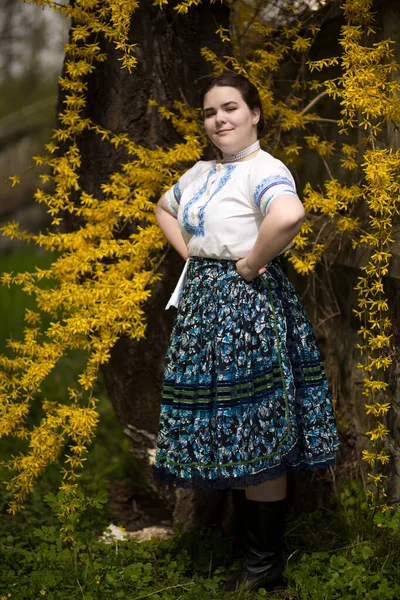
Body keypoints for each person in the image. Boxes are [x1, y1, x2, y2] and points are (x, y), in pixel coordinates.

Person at [154, 72, 340, 591]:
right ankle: (245, 551)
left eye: (231, 108)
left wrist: (248, 266)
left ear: (254, 113)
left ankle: (265, 566)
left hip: (247, 310)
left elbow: (289, 214)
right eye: (211, 112)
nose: (220, 120)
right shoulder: (200, 172)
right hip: (203, 309)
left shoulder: (265, 168)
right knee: (226, 424)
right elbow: (163, 209)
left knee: (254, 424)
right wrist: (195, 257)